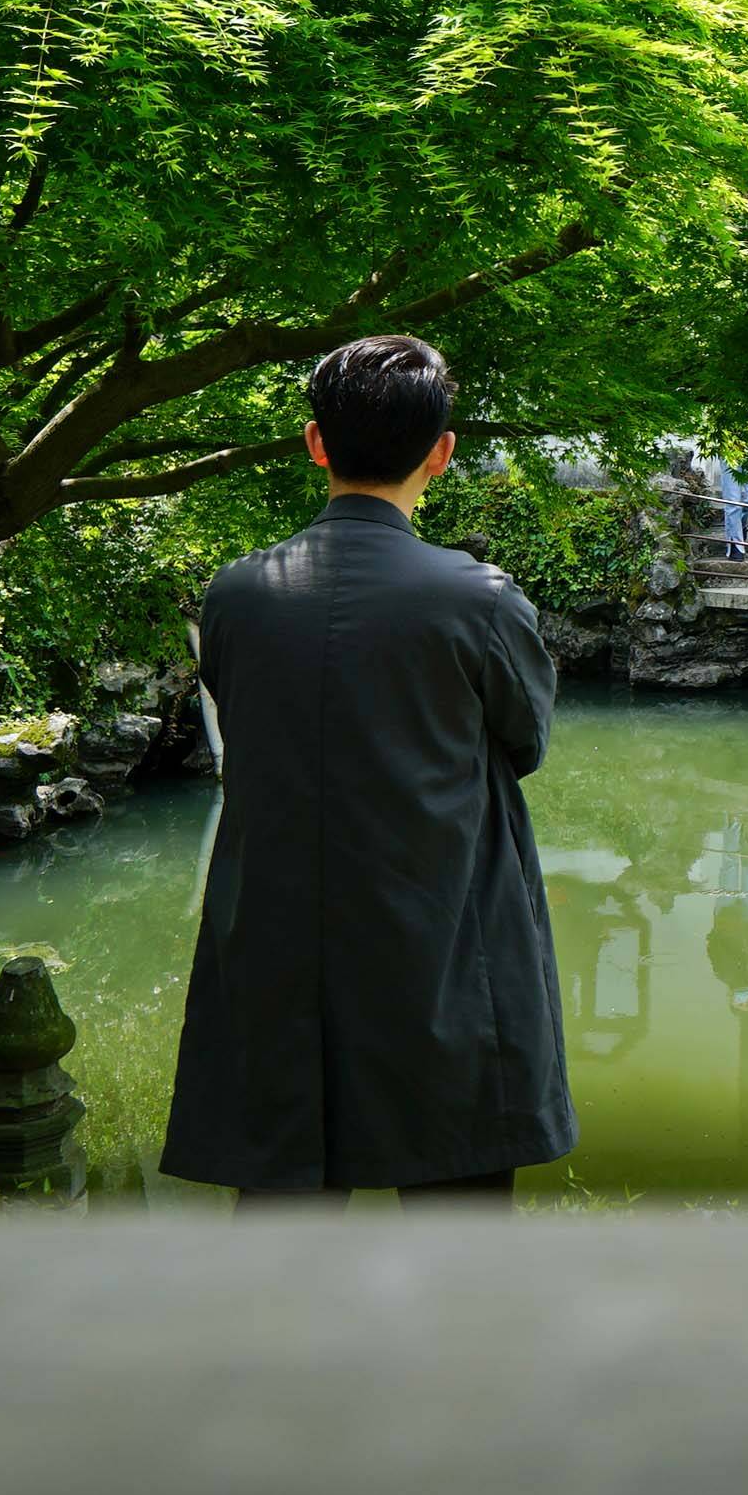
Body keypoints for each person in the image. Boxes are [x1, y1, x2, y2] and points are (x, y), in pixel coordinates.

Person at [161, 335, 572, 1211]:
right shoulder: (479, 600)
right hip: (445, 951)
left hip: (277, 958)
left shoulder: (236, 593)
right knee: (457, 1228)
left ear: (316, 444)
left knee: (283, 1227)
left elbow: (249, 731)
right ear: (442, 454)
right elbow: (524, 743)